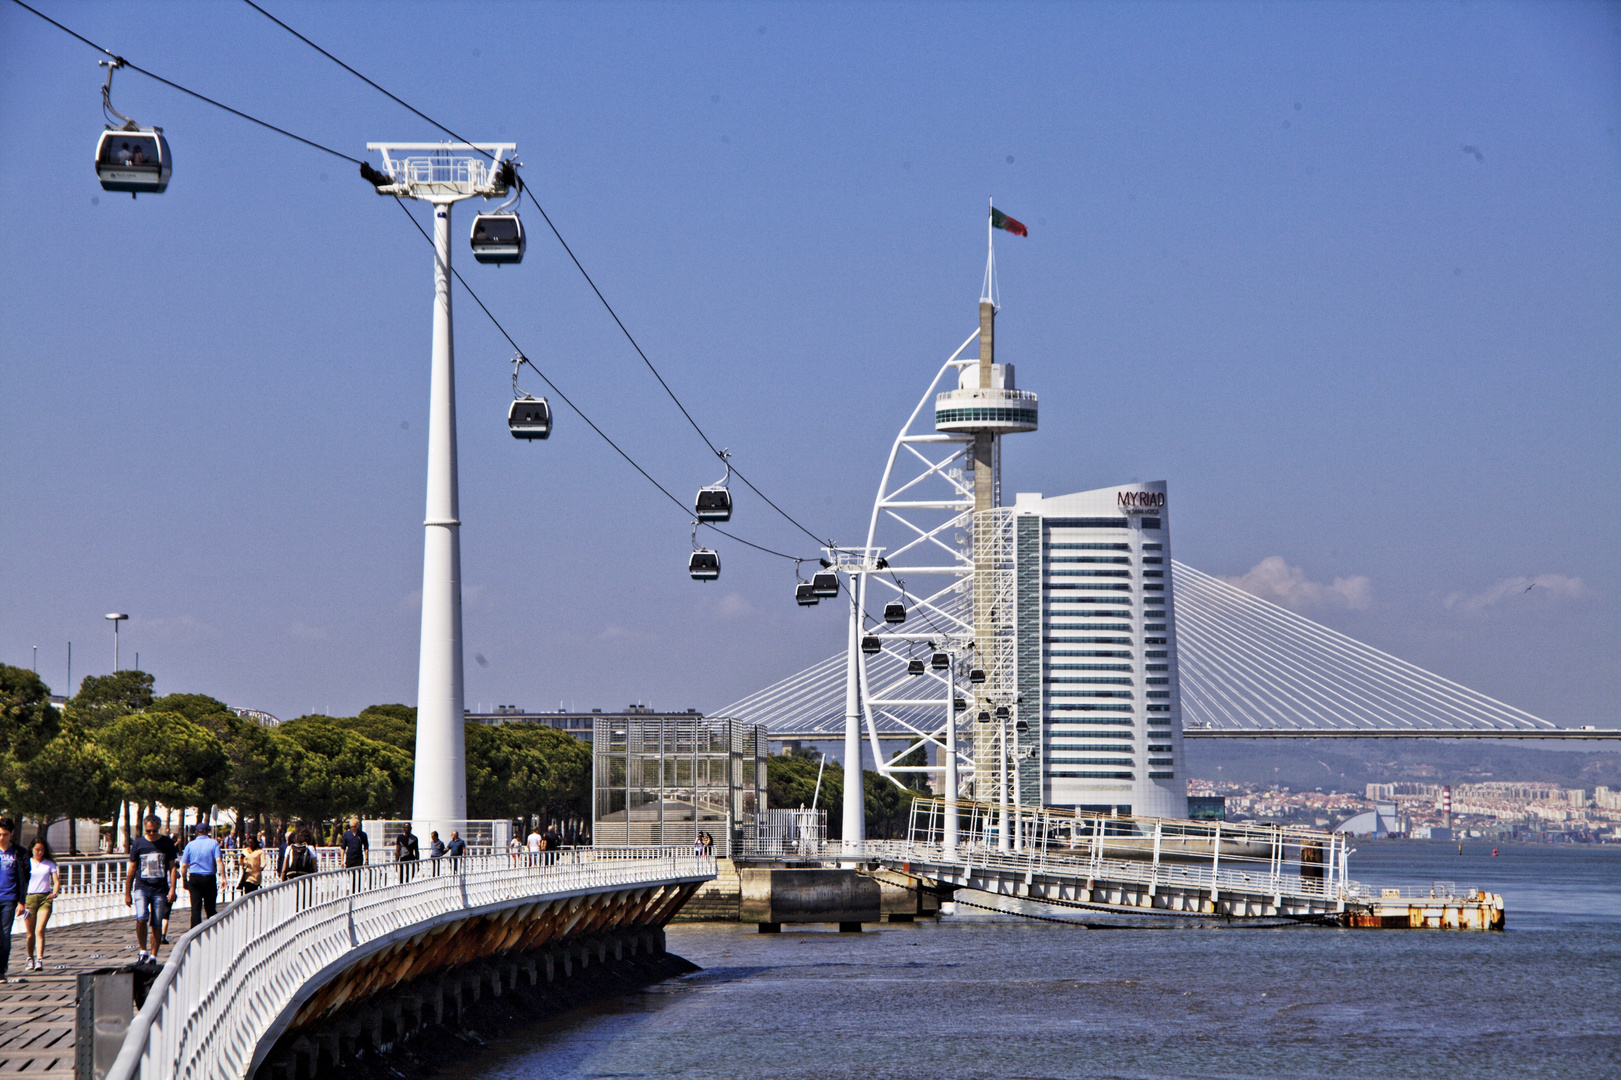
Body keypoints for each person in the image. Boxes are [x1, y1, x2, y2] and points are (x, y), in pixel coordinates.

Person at [124, 815, 176, 966]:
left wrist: (172, 888)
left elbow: (172, 867)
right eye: (148, 831)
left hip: (160, 889)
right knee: (141, 918)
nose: (151, 834)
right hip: (142, 887)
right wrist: (127, 893)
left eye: (154, 831)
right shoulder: (139, 843)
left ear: (158, 828)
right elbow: (132, 869)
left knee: (157, 923)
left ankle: (153, 955)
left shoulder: (167, 843)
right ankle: (143, 951)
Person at [23, 837, 59, 972]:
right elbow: (22, 882)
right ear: (32, 849)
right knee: (30, 933)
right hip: (29, 898)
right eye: (37, 849)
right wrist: (22, 899)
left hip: (45, 898)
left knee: (40, 929)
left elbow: (56, 880)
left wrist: (54, 893)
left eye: (42, 850)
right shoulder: (26, 863)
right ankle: (29, 958)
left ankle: (39, 959)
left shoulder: (49, 864)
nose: (39, 852)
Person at [179, 823, 222, 928]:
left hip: (194, 878)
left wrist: (184, 879)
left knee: (195, 908)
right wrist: (223, 877)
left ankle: (195, 933)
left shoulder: (190, 845)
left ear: (197, 832)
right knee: (210, 907)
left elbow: (184, 865)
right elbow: (219, 860)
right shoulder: (214, 843)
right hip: (209, 878)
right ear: (208, 831)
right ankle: (213, 930)